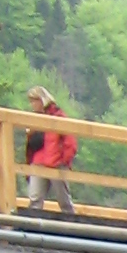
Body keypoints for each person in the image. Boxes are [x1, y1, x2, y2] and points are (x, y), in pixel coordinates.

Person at [25, 89, 79, 217]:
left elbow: (70, 142)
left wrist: (64, 161)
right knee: (35, 199)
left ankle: (71, 223)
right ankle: (32, 225)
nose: (32, 104)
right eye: (31, 101)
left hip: (56, 162)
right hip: (38, 161)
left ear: (42, 100)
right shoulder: (34, 118)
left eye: (34, 101)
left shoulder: (58, 116)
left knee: (64, 201)